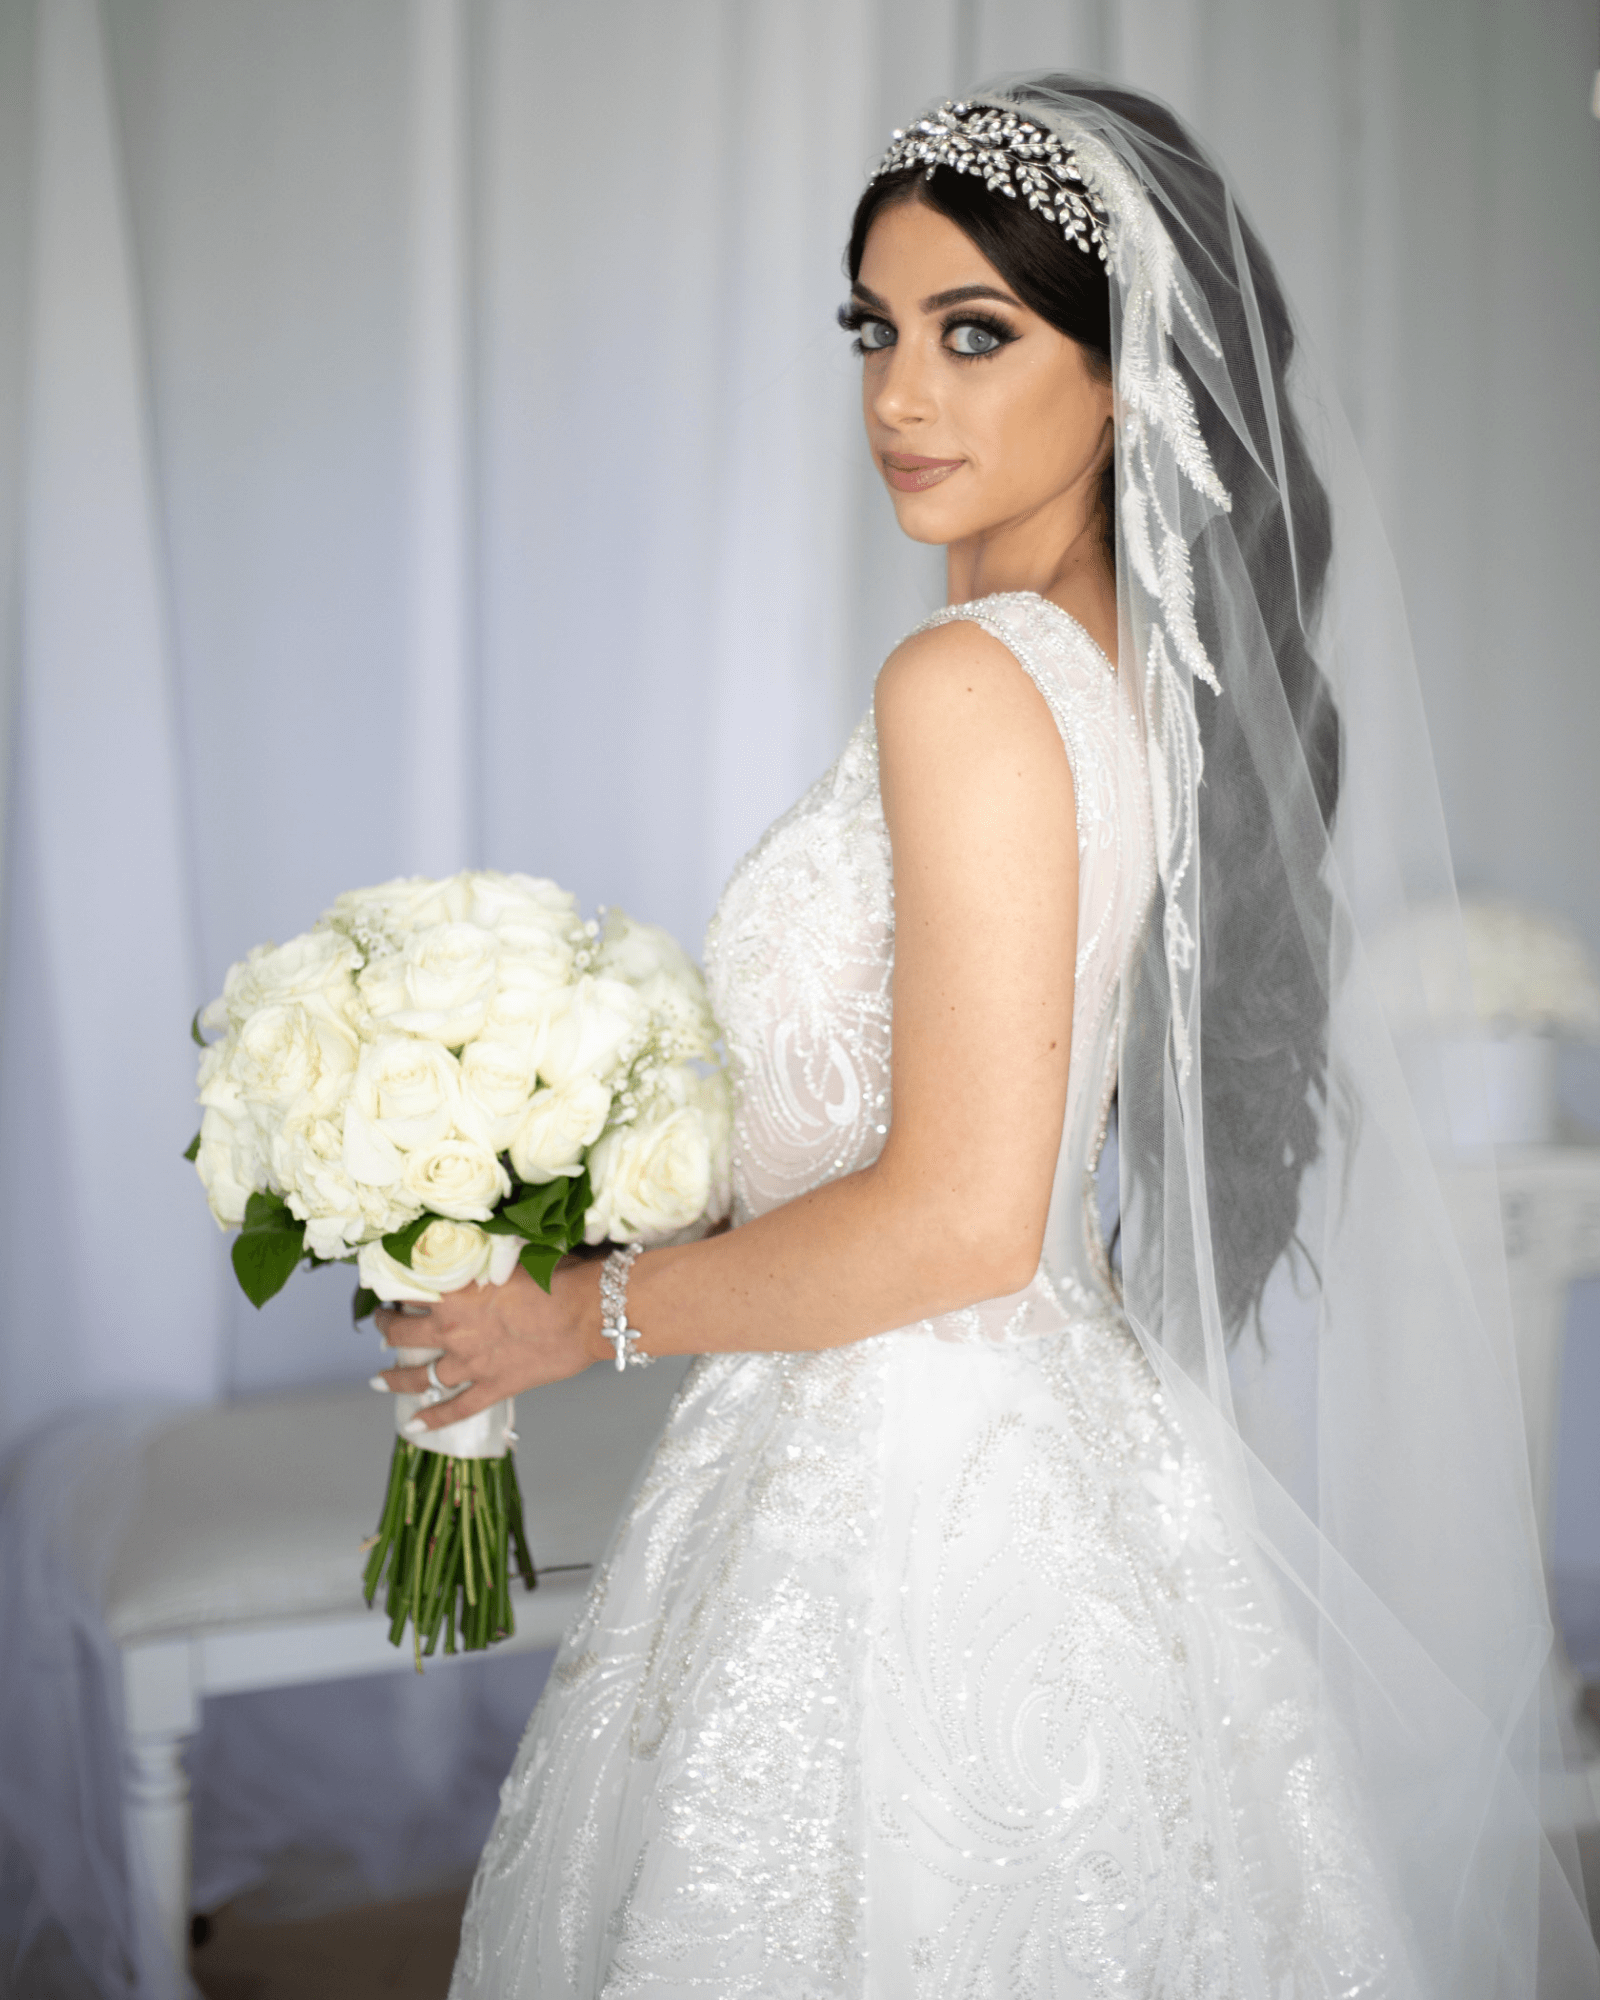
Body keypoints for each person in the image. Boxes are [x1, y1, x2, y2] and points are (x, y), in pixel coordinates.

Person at [376, 76, 1598, 1998]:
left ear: (1126, 380)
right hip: (1029, 1439)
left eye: (974, 334)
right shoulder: (1132, 674)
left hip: (907, 1469)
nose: (897, 394)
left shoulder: (967, 682)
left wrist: (575, 1311)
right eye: (875, 327)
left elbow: (957, 1219)